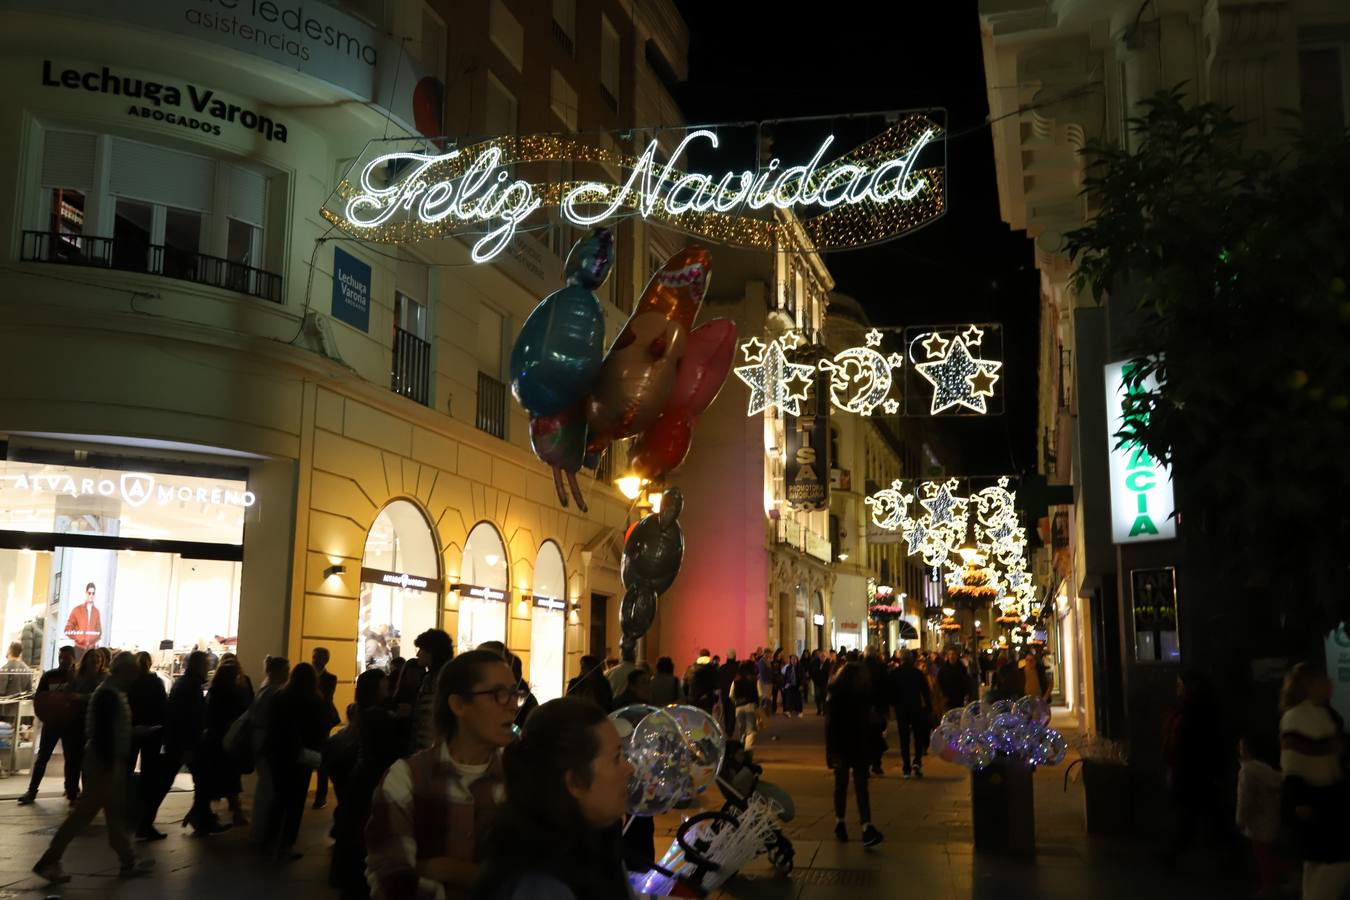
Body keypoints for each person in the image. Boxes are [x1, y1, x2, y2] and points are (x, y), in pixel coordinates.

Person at [366, 650, 519, 900]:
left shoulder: (522, 780)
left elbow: (535, 879)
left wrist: (454, 871)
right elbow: (391, 881)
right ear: (458, 704)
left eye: (514, 693)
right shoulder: (408, 778)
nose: (512, 705)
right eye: (498, 694)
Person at [472, 697, 636, 900]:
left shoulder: (599, 842)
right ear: (574, 782)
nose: (630, 769)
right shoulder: (540, 883)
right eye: (616, 758)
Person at [32, 651, 154, 884]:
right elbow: (104, 733)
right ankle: (50, 859)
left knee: (112, 812)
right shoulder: (109, 695)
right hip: (105, 762)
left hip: (105, 760)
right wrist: (112, 758)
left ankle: (127, 859)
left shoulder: (110, 692)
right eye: (132, 672)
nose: (135, 676)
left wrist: (130, 734)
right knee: (86, 814)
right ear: (124, 671)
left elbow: (107, 729)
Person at [330, 669, 405, 899]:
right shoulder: (378, 715)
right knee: (363, 829)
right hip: (370, 778)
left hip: (361, 777)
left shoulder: (364, 711)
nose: (388, 687)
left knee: (354, 828)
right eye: (383, 684)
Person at [1279, 662, 1350, 900]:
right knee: (1331, 864)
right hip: (1317, 801)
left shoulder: (1322, 713)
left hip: (1326, 799)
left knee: (1318, 865)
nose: (1330, 684)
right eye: (1324, 680)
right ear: (1310, 685)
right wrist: (1300, 799)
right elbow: (1293, 763)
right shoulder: (1298, 717)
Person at [1161, 669, 1231, 868]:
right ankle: (1226, 853)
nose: (1177, 689)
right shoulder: (1198, 708)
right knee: (1204, 814)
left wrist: (1175, 767)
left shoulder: (1192, 711)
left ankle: (1174, 855)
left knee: (1191, 815)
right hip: (1198, 771)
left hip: (1192, 771)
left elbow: (1187, 743)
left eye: (1180, 685)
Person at [261, 661, 328, 861]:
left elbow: (272, 725)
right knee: (296, 804)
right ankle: (286, 845)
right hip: (302, 757)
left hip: (279, 755)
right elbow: (319, 730)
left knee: (279, 800)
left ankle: (270, 842)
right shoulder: (315, 700)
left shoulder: (280, 696)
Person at [826, 662, 883, 847]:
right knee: (861, 788)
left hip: (841, 748)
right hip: (859, 747)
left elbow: (830, 727)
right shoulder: (862, 697)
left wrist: (830, 752)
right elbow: (872, 724)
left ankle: (839, 823)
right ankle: (866, 826)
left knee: (840, 786)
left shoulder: (834, 698)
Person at [17, 645, 78, 805]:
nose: (63, 660)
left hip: (70, 724)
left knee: (71, 759)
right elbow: (39, 697)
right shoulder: (49, 676)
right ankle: (32, 790)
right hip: (52, 723)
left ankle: (71, 792)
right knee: (43, 757)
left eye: (66, 657)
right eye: (61, 657)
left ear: (73, 658)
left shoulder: (78, 678)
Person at [1236, 730, 1289, 899]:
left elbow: (1245, 798)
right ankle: (1272, 883)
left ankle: (1281, 878)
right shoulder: (1267, 770)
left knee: (1262, 856)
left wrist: (1240, 819)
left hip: (1256, 821)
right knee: (1265, 854)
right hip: (1270, 819)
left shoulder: (1248, 771)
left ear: (1246, 749)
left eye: (1241, 746)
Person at [202, 657, 254, 827]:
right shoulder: (241, 686)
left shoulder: (216, 689)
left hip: (217, 740)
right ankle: (234, 812)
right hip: (231, 739)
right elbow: (249, 708)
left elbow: (209, 714)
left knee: (218, 778)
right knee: (232, 778)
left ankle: (204, 812)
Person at [248, 655, 290, 846]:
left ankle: (259, 831)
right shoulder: (274, 693)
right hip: (267, 743)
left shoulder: (264, 689)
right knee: (268, 790)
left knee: (265, 788)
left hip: (259, 741)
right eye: (285, 670)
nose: (288, 674)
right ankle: (262, 832)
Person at [127, 650, 168, 840]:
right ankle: (143, 814)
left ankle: (125, 808)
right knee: (150, 774)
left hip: (132, 731)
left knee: (127, 769)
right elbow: (163, 708)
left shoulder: (130, 683)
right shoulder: (155, 682)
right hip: (153, 732)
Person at [413, 629, 456, 753]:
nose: (418, 654)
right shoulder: (429, 678)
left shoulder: (447, 679)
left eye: (421, 650)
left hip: (437, 750)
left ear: (433, 653)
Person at [891, 651, 933, 779]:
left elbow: (890, 691)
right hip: (916, 708)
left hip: (901, 709)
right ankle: (917, 761)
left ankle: (906, 768)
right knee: (918, 736)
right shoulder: (917, 673)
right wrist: (928, 707)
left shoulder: (895, 674)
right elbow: (926, 691)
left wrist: (894, 704)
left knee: (904, 739)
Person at [311, 646, 341, 810]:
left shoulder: (330, 678)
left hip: (322, 722)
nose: (314, 660)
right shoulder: (307, 675)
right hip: (311, 722)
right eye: (314, 657)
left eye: (317, 657)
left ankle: (320, 796)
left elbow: (326, 698)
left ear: (325, 660)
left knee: (321, 759)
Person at [63, 582, 103, 652]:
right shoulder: (77, 610)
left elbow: (99, 631)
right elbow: (67, 630)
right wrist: (79, 638)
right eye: (89, 593)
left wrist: (93, 640)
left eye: (93, 593)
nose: (91, 595)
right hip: (79, 649)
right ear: (86, 593)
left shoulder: (96, 612)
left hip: (91, 650)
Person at [732, 661, 760, 749]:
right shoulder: (754, 680)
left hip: (738, 707)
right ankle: (747, 750)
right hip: (750, 707)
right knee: (751, 730)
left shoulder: (736, 681)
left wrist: (736, 702)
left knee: (742, 729)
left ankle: (741, 748)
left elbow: (731, 695)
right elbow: (760, 694)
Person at [717, 650, 738, 735]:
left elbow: (719, 681)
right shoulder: (737, 667)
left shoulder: (722, 668)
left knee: (725, 711)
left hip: (724, 693)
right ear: (734, 657)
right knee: (732, 712)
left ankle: (727, 728)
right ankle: (730, 729)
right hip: (734, 693)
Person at [810, 650, 830, 716]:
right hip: (817, 682)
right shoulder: (815, 662)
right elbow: (812, 671)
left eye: (824, 656)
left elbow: (829, 673)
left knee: (824, 697)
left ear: (826, 657)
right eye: (821, 656)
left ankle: (824, 710)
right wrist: (814, 679)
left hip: (825, 683)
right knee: (817, 696)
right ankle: (819, 709)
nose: (822, 657)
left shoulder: (828, 663)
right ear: (819, 657)